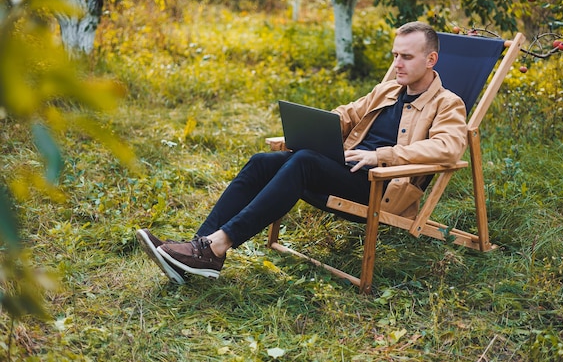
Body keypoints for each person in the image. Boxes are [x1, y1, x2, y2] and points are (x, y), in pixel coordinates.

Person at [136, 21, 468, 285]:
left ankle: (217, 246)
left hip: (382, 187)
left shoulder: (447, 103)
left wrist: (382, 155)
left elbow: (448, 148)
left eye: (406, 57)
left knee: (304, 163)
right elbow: (347, 114)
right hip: (347, 171)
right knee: (262, 162)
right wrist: (313, 128)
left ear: (430, 59)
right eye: (395, 55)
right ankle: (200, 248)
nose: (397, 63)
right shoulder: (387, 90)